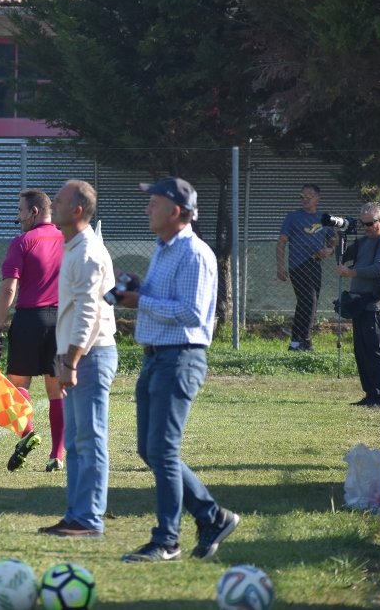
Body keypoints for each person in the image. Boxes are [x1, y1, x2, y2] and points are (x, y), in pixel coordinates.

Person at [118, 177, 239, 563]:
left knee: (164, 451)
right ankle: (211, 516)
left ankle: (167, 540)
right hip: (156, 357)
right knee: (149, 449)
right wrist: (140, 290)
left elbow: (191, 313)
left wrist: (142, 301)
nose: (146, 208)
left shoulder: (195, 253)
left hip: (180, 356)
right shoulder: (163, 248)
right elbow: (164, 299)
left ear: (175, 210)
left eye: (152, 202)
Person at [37, 180, 118, 538]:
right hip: (72, 354)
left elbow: (90, 312)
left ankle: (89, 520)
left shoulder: (87, 252)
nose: (52, 205)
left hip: (89, 355)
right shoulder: (72, 246)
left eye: (58, 201)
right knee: (74, 442)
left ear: (78, 210)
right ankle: (75, 515)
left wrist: (70, 360)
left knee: (90, 439)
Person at [0, 189, 66, 472]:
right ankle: (56, 455)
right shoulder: (68, 238)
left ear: (34, 212)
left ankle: (28, 434)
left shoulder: (22, 241)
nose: (17, 216)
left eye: (20, 211)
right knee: (56, 390)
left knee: (18, 385)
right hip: (62, 320)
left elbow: (9, 287)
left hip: (30, 319)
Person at [337, 202, 380, 410]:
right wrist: (338, 236)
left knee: (375, 351)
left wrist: (351, 273)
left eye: (370, 223)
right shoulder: (363, 241)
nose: (367, 227)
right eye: (363, 224)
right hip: (358, 303)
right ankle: (370, 394)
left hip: (374, 305)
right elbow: (343, 255)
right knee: (361, 350)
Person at [276, 184, 335, 351]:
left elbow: (333, 240)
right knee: (309, 300)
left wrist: (329, 250)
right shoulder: (293, 217)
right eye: (302, 196)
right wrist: (280, 266)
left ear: (318, 198)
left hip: (316, 264)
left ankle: (297, 341)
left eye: (309, 195)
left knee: (307, 303)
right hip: (299, 265)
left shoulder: (324, 219)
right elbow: (281, 242)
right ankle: (305, 340)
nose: (305, 199)